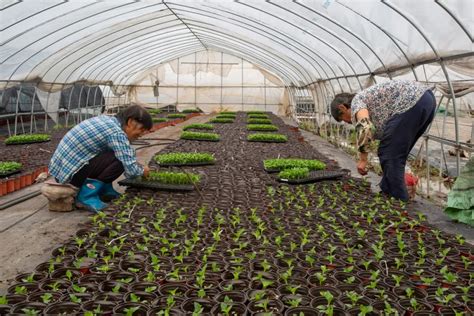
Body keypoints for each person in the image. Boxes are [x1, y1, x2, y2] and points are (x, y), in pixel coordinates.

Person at [330, 80, 435, 201]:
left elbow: (365, 126)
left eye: (343, 118)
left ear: (342, 107)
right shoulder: (367, 100)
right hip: (426, 100)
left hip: (412, 101)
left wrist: (363, 160)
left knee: (389, 153)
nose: (347, 122)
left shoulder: (356, 102)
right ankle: (387, 190)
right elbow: (375, 132)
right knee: (393, 152)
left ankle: (399, 200)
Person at [49, 105, 152, 212]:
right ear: (130, 122)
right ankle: (86, 196)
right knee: (120, 159)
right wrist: (142, 171)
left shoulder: (108, 121)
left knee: (116, 152)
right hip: (69, 176)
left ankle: (104, 190)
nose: (141, 134)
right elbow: (130, 168)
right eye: (142, 129)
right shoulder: (116, 132)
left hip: (62, 170)